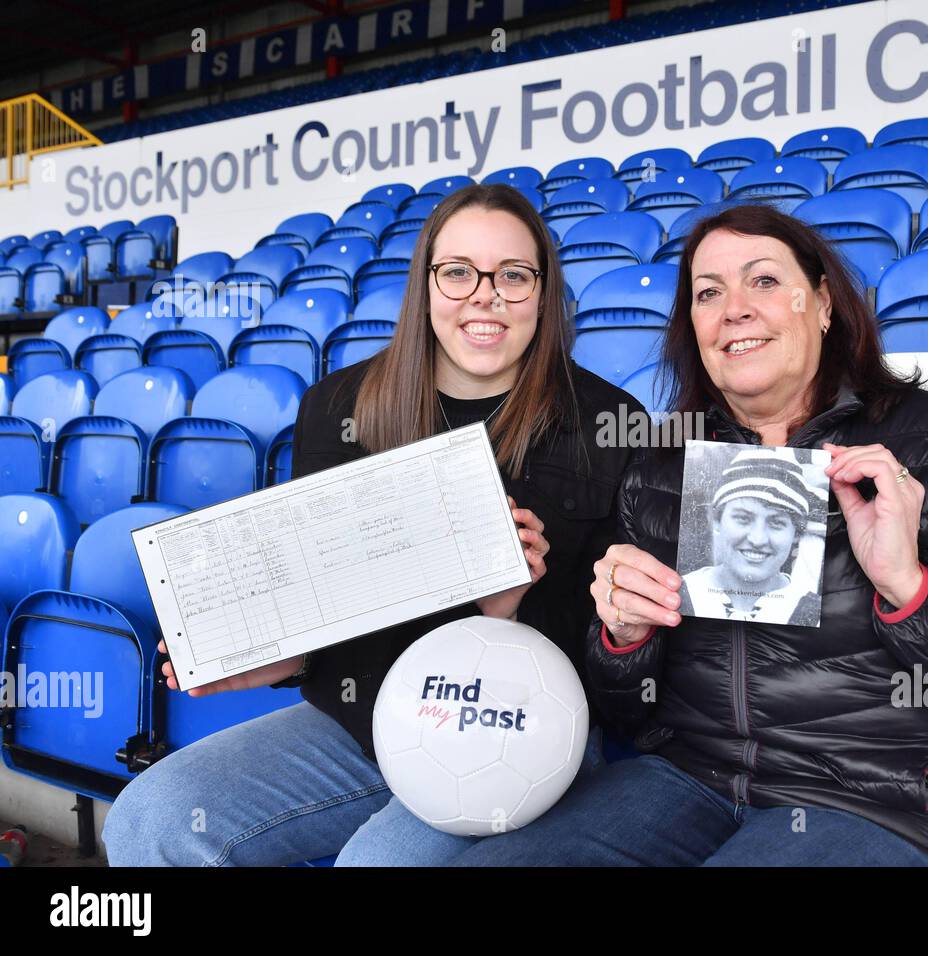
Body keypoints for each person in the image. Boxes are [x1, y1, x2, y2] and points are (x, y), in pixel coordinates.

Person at [446, 202, 928, 868]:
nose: (734, 307)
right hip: (685, 781)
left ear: (824, 304)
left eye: (764, 281)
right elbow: (625, 714)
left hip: (884, 798)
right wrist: (624, 638)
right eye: (708, 292)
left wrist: (913, 588)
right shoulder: (661, 466)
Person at [103, 184, 642, 866]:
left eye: (513, 274)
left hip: (512, 734)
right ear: (426, 286)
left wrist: (504, 613)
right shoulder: (339, 405)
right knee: (150, 820)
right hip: (360, 724)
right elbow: (322, 604)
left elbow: (618, 646)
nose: (486, 294)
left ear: (542, 290)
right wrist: (260, 658)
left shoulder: (606, 421)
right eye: (458, 272)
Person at [679, 446, 821, 625]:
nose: (757, 539)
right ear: (717, 520)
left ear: (796, 534)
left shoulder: (812, 613)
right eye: (743, 518)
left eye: (776, 523)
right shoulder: (677, 594)